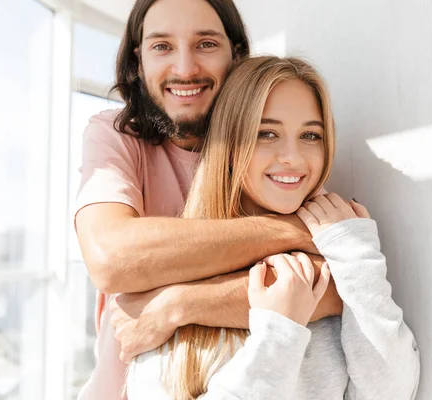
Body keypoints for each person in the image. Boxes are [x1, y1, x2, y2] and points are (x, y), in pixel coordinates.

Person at [75, 1, 343, 399]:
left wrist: (177, 305)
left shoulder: (272, 145)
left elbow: (335, 287)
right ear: (138, 60)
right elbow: (111, 258)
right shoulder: (114, 137)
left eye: (206, 44)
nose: (185, 69)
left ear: (235, 54)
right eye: (162, 46)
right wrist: (291, 230)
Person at [126, 56, 420, 400]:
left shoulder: (340, 257)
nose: (293, 157)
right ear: (229, 144)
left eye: (310, 135)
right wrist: (280, 333)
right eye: (267, 133)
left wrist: (356, 256)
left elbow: (391, 392)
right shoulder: (172, 289)